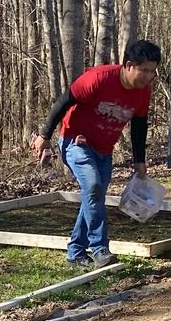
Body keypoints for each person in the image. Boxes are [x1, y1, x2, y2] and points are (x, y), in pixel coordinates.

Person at [31, 39, 162, 269]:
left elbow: (139, 126)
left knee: (95, 197)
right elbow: (64, 101)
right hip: (75, 141)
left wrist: (140, 160)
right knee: (93, 187)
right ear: (129, 65)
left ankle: (75, 253)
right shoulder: (99, 79)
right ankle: (100, 248)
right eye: (144, 71)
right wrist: (45, 135)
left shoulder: (143, 93)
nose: (148, 76)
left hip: (104, 149)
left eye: (152, 71)